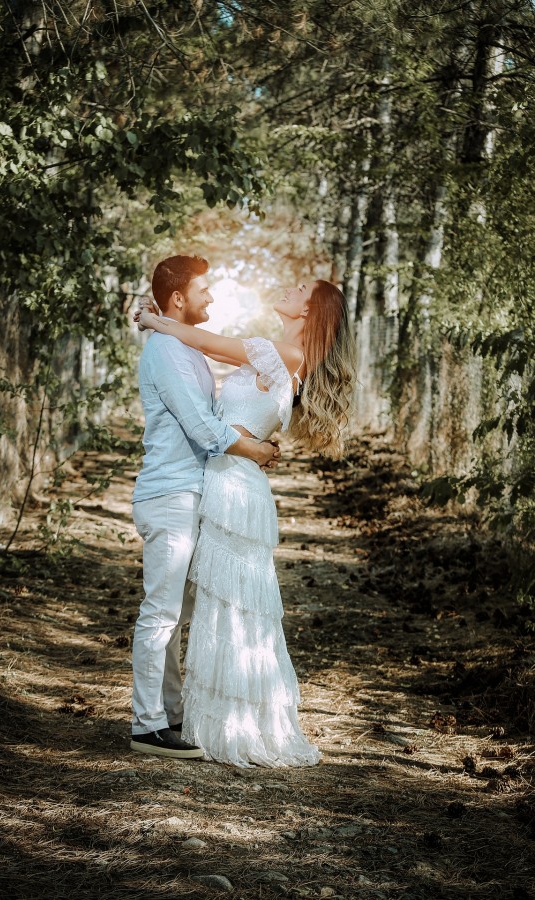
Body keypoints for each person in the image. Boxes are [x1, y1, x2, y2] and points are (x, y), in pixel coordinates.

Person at [136, 277, 356, 767]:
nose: (289, 288)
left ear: (309, 311)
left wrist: (154, 319)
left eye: (300, 289)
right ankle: (212, 716)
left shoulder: (286, 354)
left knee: (231, 605)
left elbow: (205, 341)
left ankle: (226, 721)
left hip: (233, 485)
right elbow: (203, 353)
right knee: (227, 603)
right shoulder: (283, 357)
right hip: (234, 480)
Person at [130, 255, 280, 760]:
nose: (212, 297)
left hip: (192, 492)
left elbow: (214, 415)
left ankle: (170, 714)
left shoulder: (185, 347)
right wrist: (255, 450)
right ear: (178, 298)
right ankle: (146, 725)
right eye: (203, 290)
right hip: (169, 493)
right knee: (161, 612)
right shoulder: (167, 352)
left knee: (179, 613)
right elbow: (200, 425)